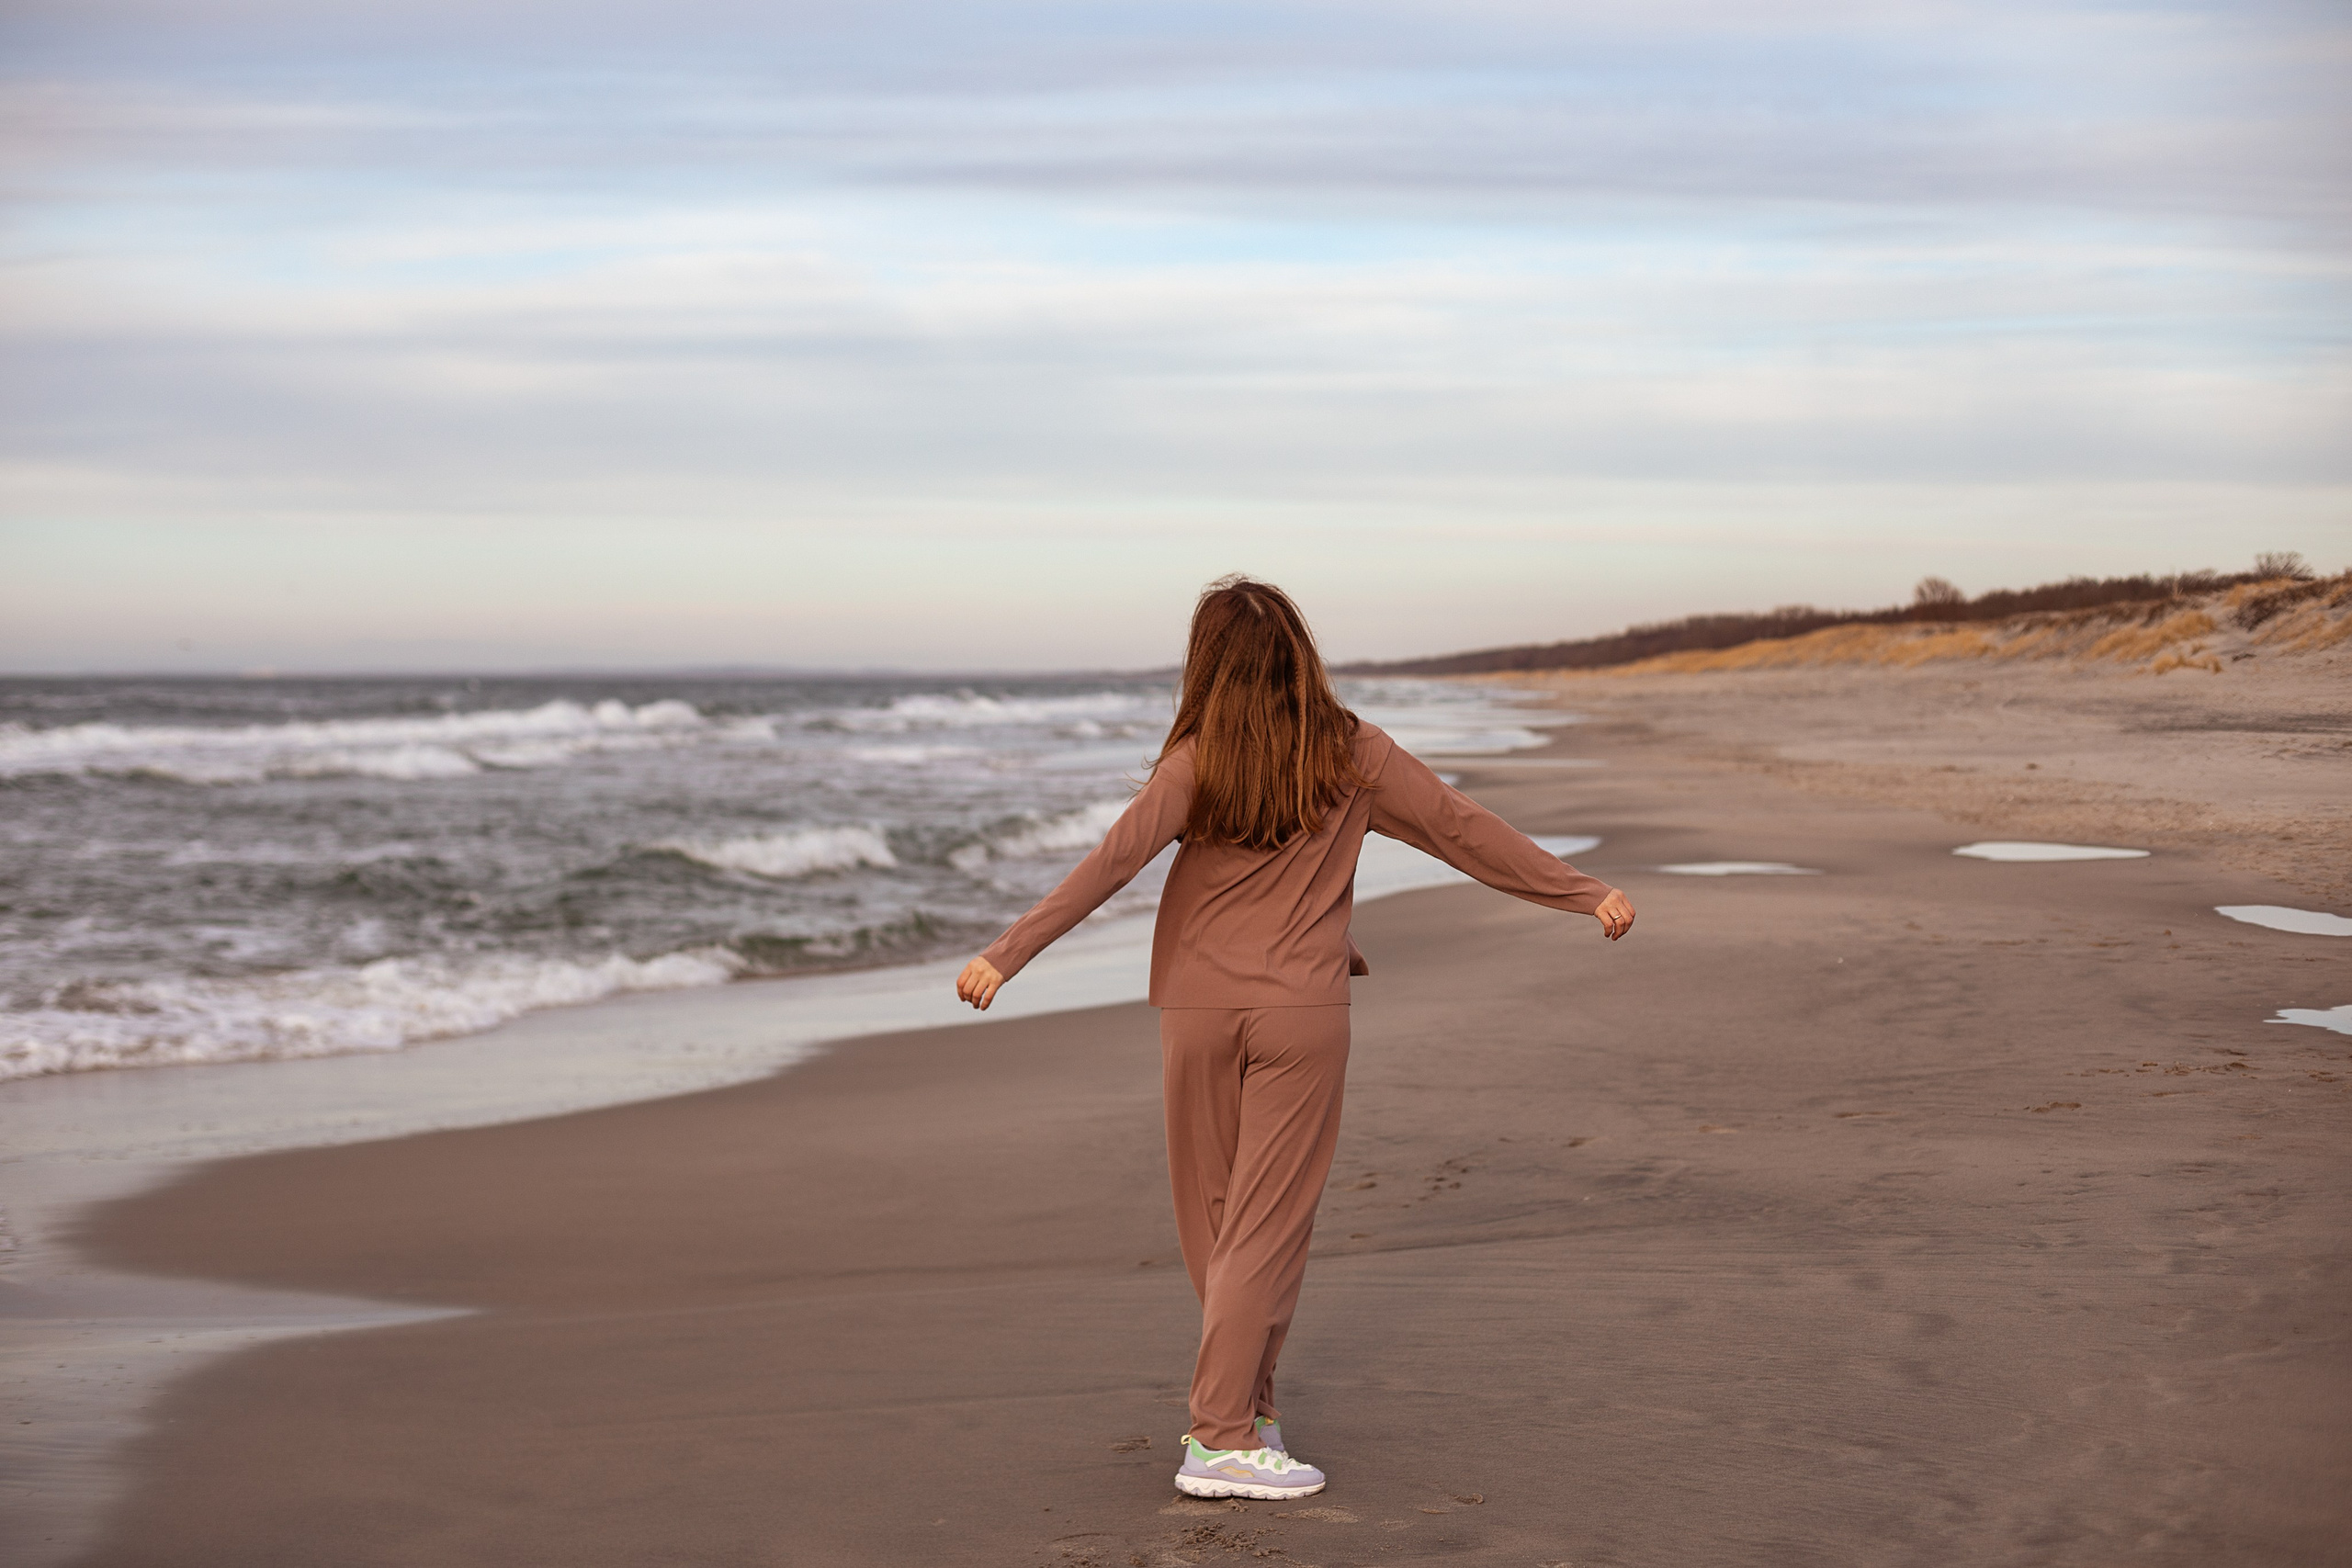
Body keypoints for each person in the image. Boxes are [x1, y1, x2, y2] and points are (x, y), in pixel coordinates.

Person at [955, 575, 1635, 1502]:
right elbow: (1458, 829)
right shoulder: (1352, 752)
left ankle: (1248, 1408)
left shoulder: (1197, 759)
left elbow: (1112, 857)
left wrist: (1009, 952)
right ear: (1299, 659)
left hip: (1195, 1011)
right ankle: (1222, 1436)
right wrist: (1580, 890)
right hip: (1298, 1017)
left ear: (1208, 668)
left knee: (1220, 1226)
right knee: (1264, 1229)